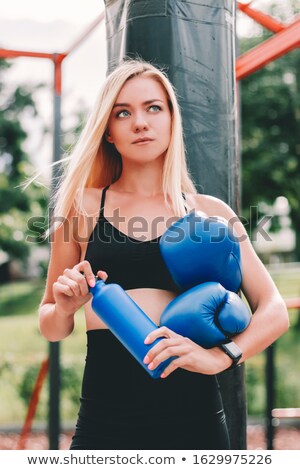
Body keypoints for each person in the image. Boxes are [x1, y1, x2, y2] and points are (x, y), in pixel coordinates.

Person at [39, 59, 289, 450]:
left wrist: (222, 358)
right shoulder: (82, 207)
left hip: (197, 421)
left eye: (153, 107)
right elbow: (51, 326)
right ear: (108, 131)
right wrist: (66, 307)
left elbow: (274, 309)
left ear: (172, 120)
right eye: (123, 113)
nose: (140, 122)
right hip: (106, 421)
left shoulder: (212, 213)